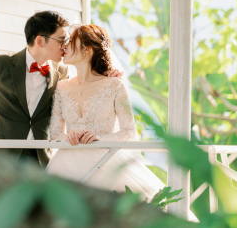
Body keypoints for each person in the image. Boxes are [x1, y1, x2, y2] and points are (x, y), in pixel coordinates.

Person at [46, 23, 164, 200]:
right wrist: (68, 137)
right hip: (65, 165)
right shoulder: (61, 87)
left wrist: (99, 138)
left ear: (87, 50)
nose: (65, 46)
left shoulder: (115, 86)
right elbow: (55, 133)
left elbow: (129, 131)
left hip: (105, 163)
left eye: (71, 42)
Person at [0, 11, 69, 167]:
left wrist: (106, 75)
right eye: (61, 40)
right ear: (40, 40)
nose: (65, 46)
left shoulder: (62, 72)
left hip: (39, 158)